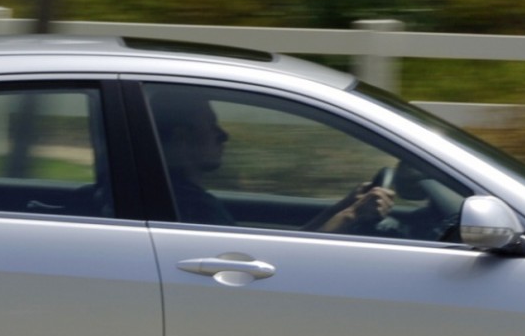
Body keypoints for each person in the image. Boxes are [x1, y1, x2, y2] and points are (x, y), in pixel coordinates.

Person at [151, 90, 396, 232]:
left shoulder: (178, 197)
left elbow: (289, 251)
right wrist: (351, 216)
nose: (224, 135)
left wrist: (345, 205)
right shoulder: (190, 207)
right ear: (182, 139)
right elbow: (275, 270)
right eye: (210, 126)